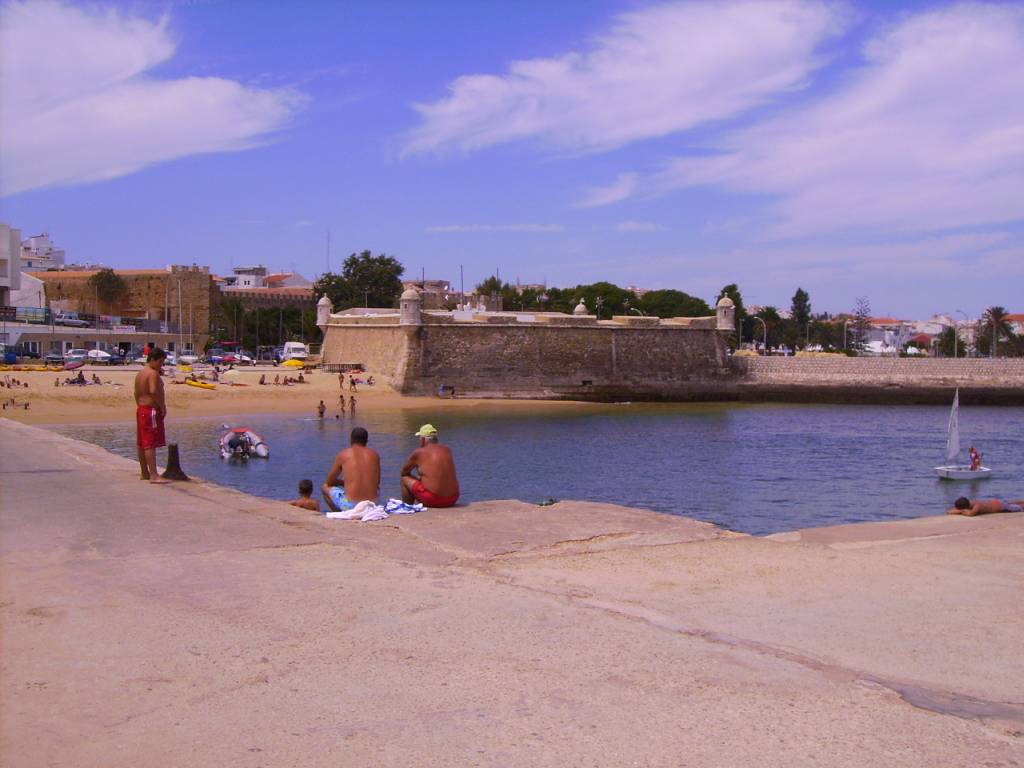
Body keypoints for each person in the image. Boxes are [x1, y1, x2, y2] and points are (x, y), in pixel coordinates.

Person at [322, 427, 381, 512]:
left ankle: (340, 513)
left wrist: (342, 483)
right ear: (366, 441)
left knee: (324, 487)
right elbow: (377, 483)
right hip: (372, 505)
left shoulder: (344, 454)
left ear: (351, 440)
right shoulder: (375, 455)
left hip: (351, 506)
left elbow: (329, 481)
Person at [400, 424, 460, 508]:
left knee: (404, 478)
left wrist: (419, 474)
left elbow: (404, 472)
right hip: (453, 498)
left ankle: (407, 508)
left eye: (420, 438)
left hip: (433, 499)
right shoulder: (447, 450)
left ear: (423, 439)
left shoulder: (419, 452)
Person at [134, 347, 169, 484]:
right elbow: (154, 391)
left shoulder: (141, 373)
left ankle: (145, 472)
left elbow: (136, 393)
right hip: (151, 410)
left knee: (142, 442)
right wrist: (162, 406)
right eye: (160, 362)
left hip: (142, 409)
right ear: (153, 360)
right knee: (150, 443)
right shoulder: (152, 373)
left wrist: (139, 405)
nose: (161, 365)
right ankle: (153, 475)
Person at [947, 497, 1023, 516]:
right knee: (1013, 503)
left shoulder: (977, 506)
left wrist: (960, 511)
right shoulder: (970, 503)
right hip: (996, 503)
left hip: (1001, 506)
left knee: (1019, 508)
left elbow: (971, 514)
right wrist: (961, 511)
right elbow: (949, 511)